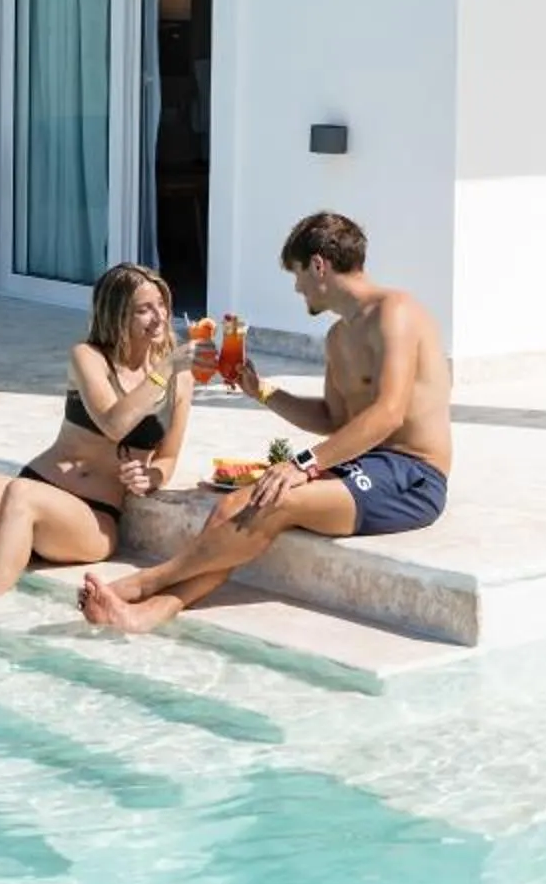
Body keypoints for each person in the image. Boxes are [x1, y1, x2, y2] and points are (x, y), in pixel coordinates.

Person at [79, 212, 449, 634]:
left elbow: (388, 413)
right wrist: (262, 391)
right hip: (363, 465)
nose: (297, 288)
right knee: (238, 505)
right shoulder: (338, 338)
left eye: (297, 275)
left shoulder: (394, 311)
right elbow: (332, 418)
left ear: (318, 265)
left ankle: (143, 585)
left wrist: (302, 464)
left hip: (412, 476)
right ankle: (151, 612)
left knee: (277, 500)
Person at [0, 262, 191, 604]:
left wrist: (151, 477)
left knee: (22, 494)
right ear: (117, 315)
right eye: (144, 309)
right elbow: (112, 421)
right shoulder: (88, 357)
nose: (158, 316)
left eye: (161, 305)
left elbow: (167, 457)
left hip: (91, 517)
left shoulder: (179, 380)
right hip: (37, 484)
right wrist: (161, 371)